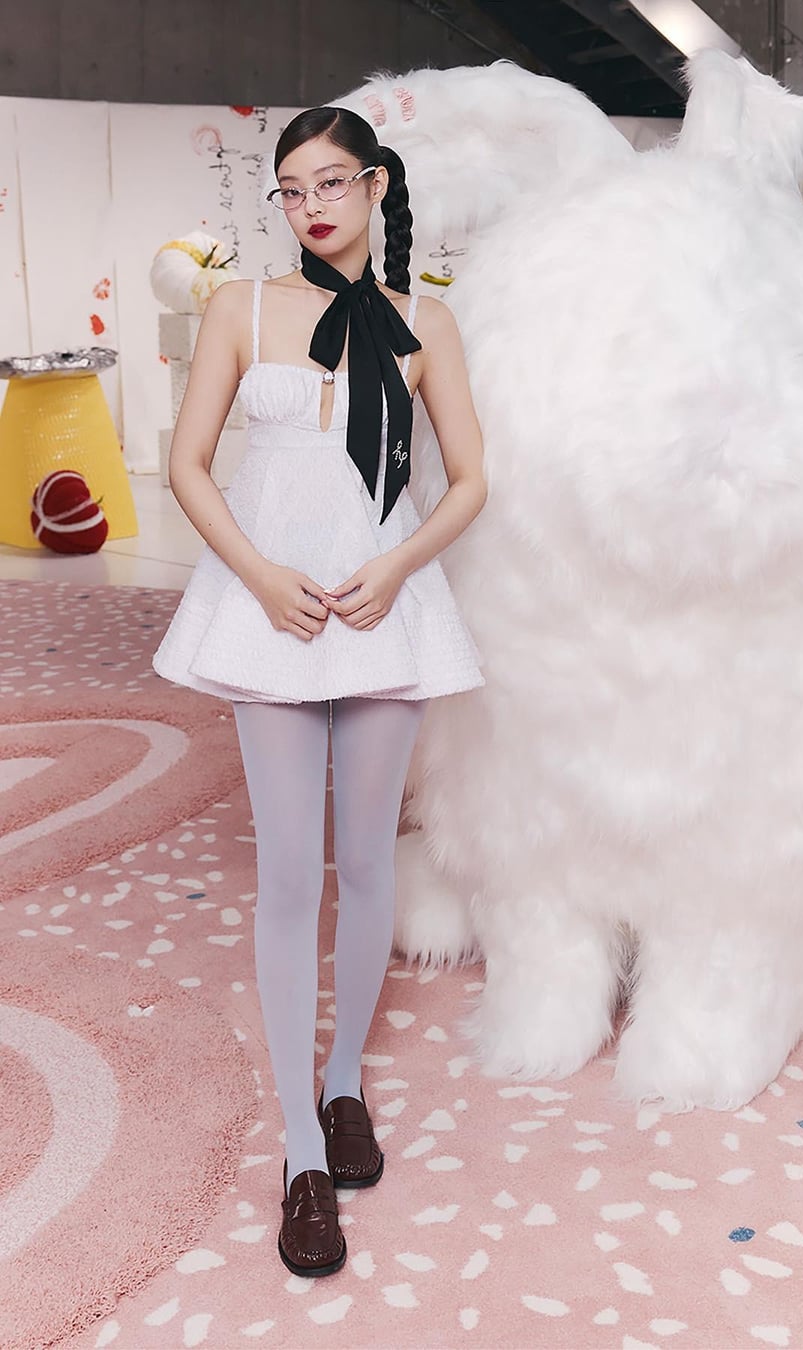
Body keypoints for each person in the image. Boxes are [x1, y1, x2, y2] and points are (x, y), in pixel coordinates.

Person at [153, 106, 486, 1278]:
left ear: (377, 184)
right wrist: (259, 579)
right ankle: (302, 1146)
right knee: (291, 872)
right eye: (292, 190)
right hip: (273, 613)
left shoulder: (424, 322)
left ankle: (346, 1084)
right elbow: (188, 465)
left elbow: (468, 480)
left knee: (368, 860)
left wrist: (397, 569)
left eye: (333, 183)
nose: (312, 208)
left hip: (385, 613)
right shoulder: (241, 310)